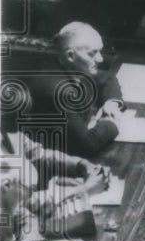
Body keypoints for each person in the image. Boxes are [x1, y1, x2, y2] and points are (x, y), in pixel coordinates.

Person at [22, 22, 128, 158]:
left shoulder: (73, 66)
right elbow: (87, 145)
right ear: (70, 55)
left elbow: (107, 78)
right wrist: (111, 123)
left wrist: (111, 103)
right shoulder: (56, 92)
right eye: (93, 53)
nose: (100, 59)